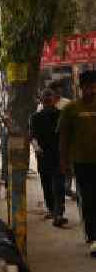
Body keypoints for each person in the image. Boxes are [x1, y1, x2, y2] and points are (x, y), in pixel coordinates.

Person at [59, 69, 96, 257]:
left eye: (94, 87)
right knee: (88, 199)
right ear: (81, 88)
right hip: (82, 163)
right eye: (88, 87)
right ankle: (92, 236)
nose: (92, 90)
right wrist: (63, 162)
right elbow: (63, 137)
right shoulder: (71, 109)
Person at [29, 88, 67, 226]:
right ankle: (53, 210)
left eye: (49, 97)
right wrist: (36, 147)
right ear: (42, 101)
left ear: (54, 99)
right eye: (45, 98)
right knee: (46, 185)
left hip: (59, 155)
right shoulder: (35, 117)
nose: (47, 100)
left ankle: (58, 213)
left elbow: (66, 134)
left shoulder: (61, 114)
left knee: (58, 185)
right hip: (43, 156)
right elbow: (32, 136)